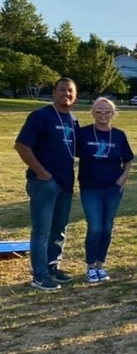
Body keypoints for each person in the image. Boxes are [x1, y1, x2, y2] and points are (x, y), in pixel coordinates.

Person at [14, 77, 80, 291]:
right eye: (62, 90)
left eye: (70, 91)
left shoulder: (73, 120)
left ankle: (52, 267)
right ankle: (39, 275)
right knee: (42, 230)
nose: (66, 94)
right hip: (44, 183)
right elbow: (22, 145)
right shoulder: (40, 116)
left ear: (75, 96)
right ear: (54, 92)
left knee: (59, 229)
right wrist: (41, 172)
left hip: (66, 182)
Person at [76, 97, 134, 284]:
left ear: (113, 114)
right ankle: (90, 266)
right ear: (93, 113)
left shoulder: (119, 135)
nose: (103, 114)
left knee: (107, 228)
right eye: (99, 111)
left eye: (107, 111)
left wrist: (123, 177)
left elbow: (128, 159)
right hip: (90, 188)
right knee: (95, 227)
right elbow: (67, 152)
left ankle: (100, 265)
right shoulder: (83, 133)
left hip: (113, 188)